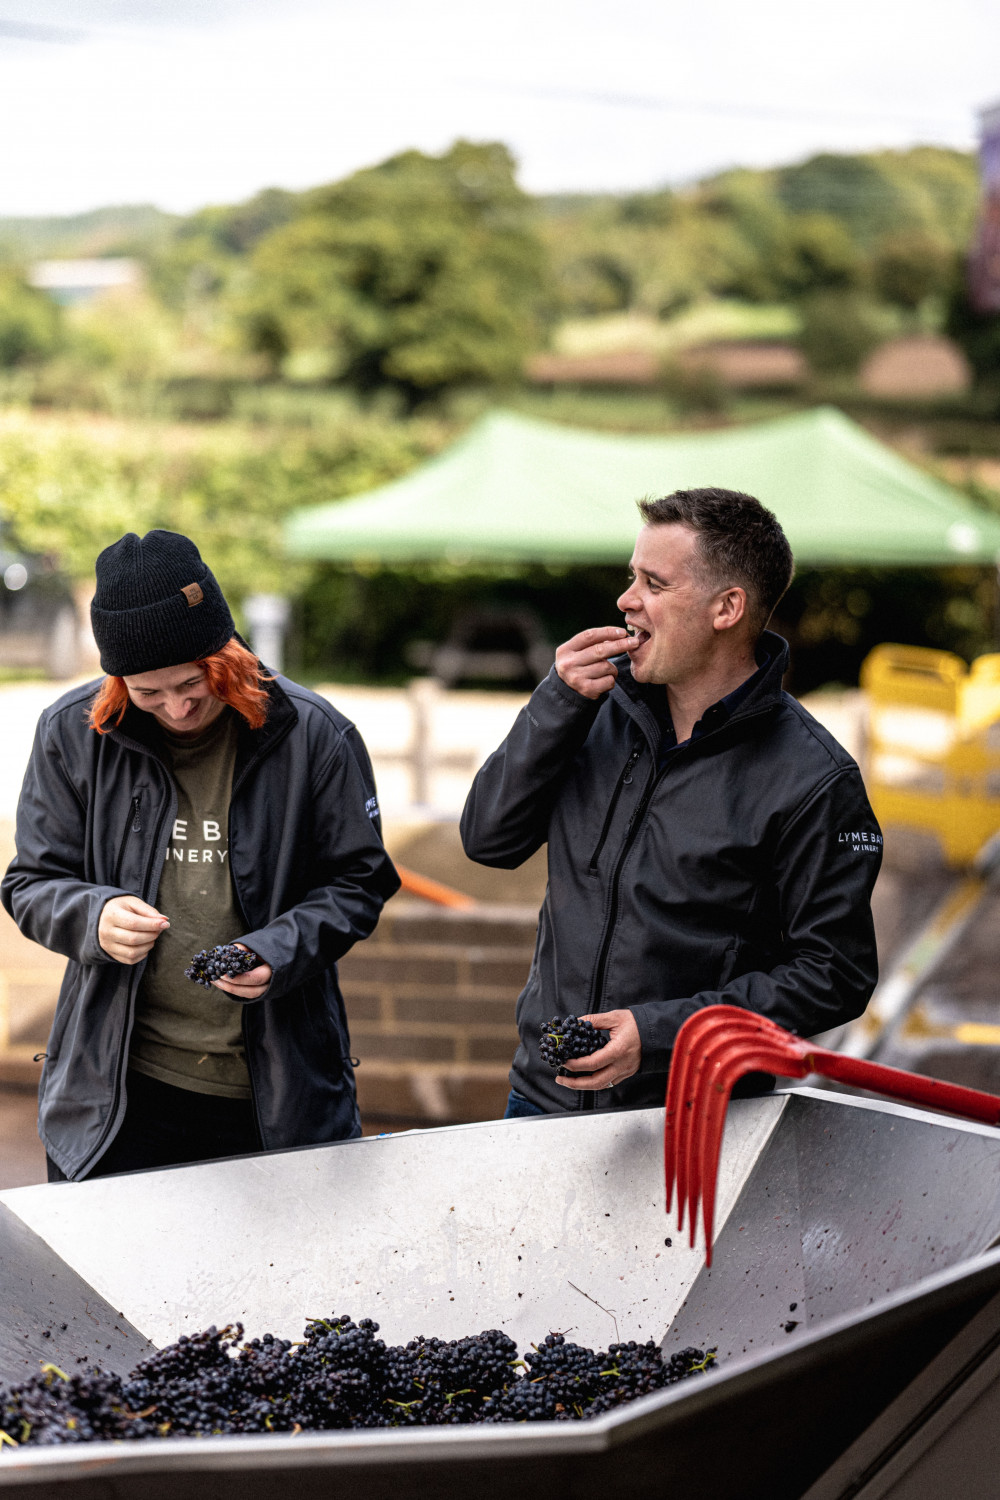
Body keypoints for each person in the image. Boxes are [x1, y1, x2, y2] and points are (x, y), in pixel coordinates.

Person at [460, 488, 883, 1117]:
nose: (627, 600)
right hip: (541, 1101)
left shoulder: (815, 779)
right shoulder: (588, 710)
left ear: (727, 608)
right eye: (631, 577)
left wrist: (663, 1035)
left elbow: (833, 974)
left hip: (695, 1122)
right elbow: (488, 840)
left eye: (654, 583)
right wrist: (555, 705)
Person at [1, 529, 400, 1180]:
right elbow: (30, 883)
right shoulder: (71, 733)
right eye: (148, 693)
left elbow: (360, 882)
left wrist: (280, 948)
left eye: (193, 683)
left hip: (271, 1103)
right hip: (114, 1098)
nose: (178, 708)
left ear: (225, 653)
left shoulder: (315, 735)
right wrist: (91, 916)